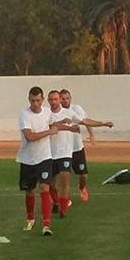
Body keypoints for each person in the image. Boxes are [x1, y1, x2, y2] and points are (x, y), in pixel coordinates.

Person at [18, 86, 74, 236]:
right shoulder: (24, 114)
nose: (35, 103)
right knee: (29, 190)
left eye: (38, 100)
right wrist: (50, 131)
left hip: (44, 157)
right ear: (28, 99)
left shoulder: (47, 112)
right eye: (32, 100)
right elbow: (30, 137)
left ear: (42, 100)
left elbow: (52, 125)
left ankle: (46, 225)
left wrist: (66, 126)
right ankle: (30, 219)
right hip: (28, 159)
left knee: (44, 188)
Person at [58, 89, 113, 203]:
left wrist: (93, 133)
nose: (65, 101)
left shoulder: (76, 109)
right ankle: (65, 199)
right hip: (63, 150)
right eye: (63, 99)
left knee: (83, 175)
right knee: (64, 175)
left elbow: (86, 121)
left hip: (77, 148)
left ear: (70, 99)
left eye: (67, 98)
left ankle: (82, 187)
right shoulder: (56, 112)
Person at [47, 89, 81, 217]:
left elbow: (84, 120)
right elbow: (52, 126)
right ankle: (56, 202)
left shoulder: (69, 113)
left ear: (59, 99)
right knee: (50, 183)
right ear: (48, 100)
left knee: (65, 180)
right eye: (51, 100)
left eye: (55, 99)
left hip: (65, 153)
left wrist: (103, 124)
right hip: (49, 153)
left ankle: (62, 210)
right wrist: (69, 128)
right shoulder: (45, 114)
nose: (53, 102)